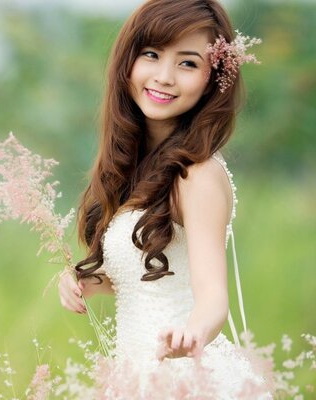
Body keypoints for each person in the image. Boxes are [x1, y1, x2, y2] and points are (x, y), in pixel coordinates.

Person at [58, 0, 270, 397]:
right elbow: (155, 279)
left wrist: (191, 335)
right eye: (152, 55)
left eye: (188, 63)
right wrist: (87, 281)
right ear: (128, 61)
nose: (165, 77)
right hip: (139, 376)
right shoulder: (135, 168)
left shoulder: (197, 174)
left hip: (184, 376)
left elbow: (212, 298)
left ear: (213, 79)